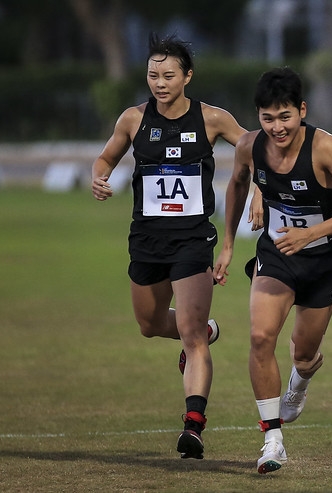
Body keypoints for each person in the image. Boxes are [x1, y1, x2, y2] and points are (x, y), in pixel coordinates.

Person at [91, 33, 246, 460]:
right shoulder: (132, 119)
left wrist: (266, 185)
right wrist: (98, 175)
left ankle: (193, 428)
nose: (159, 83)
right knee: (149, 323)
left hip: (193, 238)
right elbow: (106, 158)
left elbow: (252, 145)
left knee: (192, 336)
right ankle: (205, 331)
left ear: (187, 76)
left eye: (168, 75)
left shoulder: (213, 119)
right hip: (146, 239)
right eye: (152, 75)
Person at [214, 67, 332, 474]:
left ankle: (300, 381)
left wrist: (311, 234)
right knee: (259, 335)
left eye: (285, 116)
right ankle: (272, 440)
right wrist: (229, 244)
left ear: (301, 110)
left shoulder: (325, 148)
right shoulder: (250, 146)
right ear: (257, 116)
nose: (277, 127)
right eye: (268, 118)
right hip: (277, 254)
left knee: (303, 353)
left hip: (324, 259)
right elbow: (236, 183)